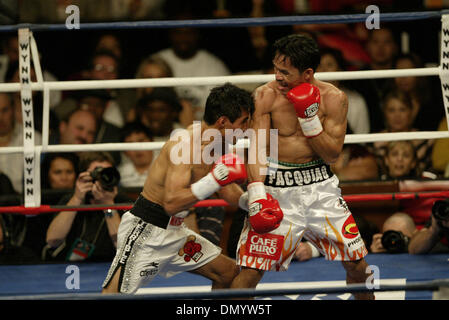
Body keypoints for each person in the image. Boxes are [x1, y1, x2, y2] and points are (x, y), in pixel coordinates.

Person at [232, 34, 374, 300]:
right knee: (250, 272)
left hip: (320, 187)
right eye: (275, 68)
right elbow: (258, 148)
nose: (277, 76)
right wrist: (256, 193)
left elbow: (332, 155)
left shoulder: (334, 98)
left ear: (307, 73)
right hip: (277, 189)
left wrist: (309, 119)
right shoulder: (264, 96)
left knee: (358, 265)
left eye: (285, 71)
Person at [102, 83, 253, 294]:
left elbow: (226, 189)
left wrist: (251, 204)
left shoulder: (219, 143)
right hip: (147, 230)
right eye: (243, 121)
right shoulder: (184, 144)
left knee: (228, 272)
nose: (247, 128)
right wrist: (214, 180)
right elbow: (171, 203)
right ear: (223, 122)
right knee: (112, 296)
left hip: (176, 232)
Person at [44, 152, 131, 262]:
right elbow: (52, 240)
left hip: (108, 265)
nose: (102, 177)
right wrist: (77, 198)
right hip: (67, 264)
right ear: (85, 175)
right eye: (98, 172)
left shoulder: (122, 202)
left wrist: (108, 205)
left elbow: (125, 248)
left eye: (107, 172)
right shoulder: (71, 200)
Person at [118, 122, 154, 188]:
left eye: (141, 141)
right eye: (130, 144)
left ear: (152, 141)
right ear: (124, 151)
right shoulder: (119, 175)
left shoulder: (168, 169)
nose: (137, 148)